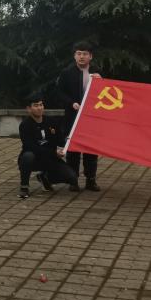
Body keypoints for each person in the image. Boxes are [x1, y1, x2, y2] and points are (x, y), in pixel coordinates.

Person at [57, 41, 102, 192]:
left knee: (91, 149)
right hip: (73, 116)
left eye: (85, 54)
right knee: (73, 150)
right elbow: (59, 92)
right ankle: (73, 180)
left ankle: (91, 180)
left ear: (91, 56)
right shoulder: (67, 72)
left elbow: (107, 93)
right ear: (74, 56)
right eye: (78, 53)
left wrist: (101, 81)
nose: (81, 56)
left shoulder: (97, 71)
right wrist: (71, 103)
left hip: (91, 117)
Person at [17, 93, 78, 199]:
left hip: (50, 158)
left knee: (72, 177)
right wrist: (53, 152)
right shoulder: (25, 125)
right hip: (34, 158)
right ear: (29, 109)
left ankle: (45, 178)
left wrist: (63, 146)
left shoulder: (51, 121)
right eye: (36, 105)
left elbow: (60, 140)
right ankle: (24, 187)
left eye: (41, 105)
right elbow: (30, 146)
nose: (39, 108)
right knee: (28, 156)